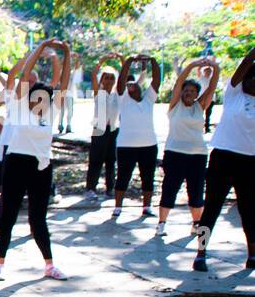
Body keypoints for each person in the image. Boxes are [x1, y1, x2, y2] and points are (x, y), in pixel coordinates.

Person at [0, 38, 71, 280]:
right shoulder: (18, 107)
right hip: (17, 162)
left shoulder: (51, 111)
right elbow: (26, 73)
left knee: (38, 217)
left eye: (44, 99)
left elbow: (63, 82)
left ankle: (49, 265)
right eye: (36, 97)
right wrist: (41, 48)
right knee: (8, 213)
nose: (40, 102)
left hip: (41, 166)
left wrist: (65, 53)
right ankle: (0, 263)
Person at [193, 44, 254, 272]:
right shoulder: (234, 94)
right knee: (212, 208)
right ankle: (201, 253)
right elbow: (244, 66)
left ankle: (252, 254)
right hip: (224, 157)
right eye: (252, 78)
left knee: (250, 210)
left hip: (250, 162)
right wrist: (252, 54)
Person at [158, 58, 219, 236]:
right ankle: (162, 223)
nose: (188, 93)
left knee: (196, 190)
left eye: (192, 91)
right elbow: (178, 83)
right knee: (170, 188)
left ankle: (196, 224)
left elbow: (212, 88)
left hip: (197, 155)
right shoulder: (175, 107)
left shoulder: (200, 107)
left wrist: (215, 68)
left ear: (196, 94)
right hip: (175, 153)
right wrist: (192, 66)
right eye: (186, 90)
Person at [112, 54, 162, 218]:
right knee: (123, 177)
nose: (132, 86)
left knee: (148, 177)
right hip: (126, 146)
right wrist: (129, 61)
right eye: (129, 85)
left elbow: (156, 80)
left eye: (135, 85)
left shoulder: (148, 98)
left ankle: (147, 207)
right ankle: (118, 207)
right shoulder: (123, 100)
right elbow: (121, 81)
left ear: (142, 89)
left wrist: (152, 61)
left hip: (148, 145)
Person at [86, 55, 121, 199]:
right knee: (95, 160)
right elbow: (93, 75)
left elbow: (124, 77)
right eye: (106, 78)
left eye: (111, 78)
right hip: (99, 129)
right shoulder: (98, 93)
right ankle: (91, 188)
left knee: (111, 160)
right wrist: (102, 60)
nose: (109, 81)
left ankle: (110, 189)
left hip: (113, 129)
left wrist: (122, 59)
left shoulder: (117, 94)